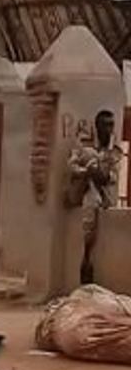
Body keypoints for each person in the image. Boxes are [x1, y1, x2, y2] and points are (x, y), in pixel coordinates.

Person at [67, 110, 123, 284]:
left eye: (111, 125)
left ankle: (87, 260)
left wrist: (96, 170)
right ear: (97, 127)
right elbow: (72, 166)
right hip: (85, 193)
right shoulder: (85, 147)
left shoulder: (114, 151)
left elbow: (110, 177)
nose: (109, 129)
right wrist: (86, 171)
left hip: (104, 198)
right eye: (105, 125)